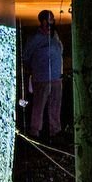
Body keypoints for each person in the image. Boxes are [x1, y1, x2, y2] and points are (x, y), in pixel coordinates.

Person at [24, 9, 64, 139]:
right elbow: (26, 56)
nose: (52, 22)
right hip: (42, 78)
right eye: (50, 19)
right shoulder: (35, 38)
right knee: (39, 106)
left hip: (56, 77)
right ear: (43, 21)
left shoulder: (54, 35)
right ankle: (34, 131)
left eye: (53, 19)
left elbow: (60, 50)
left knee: (55, 106)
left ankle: (55, 131)